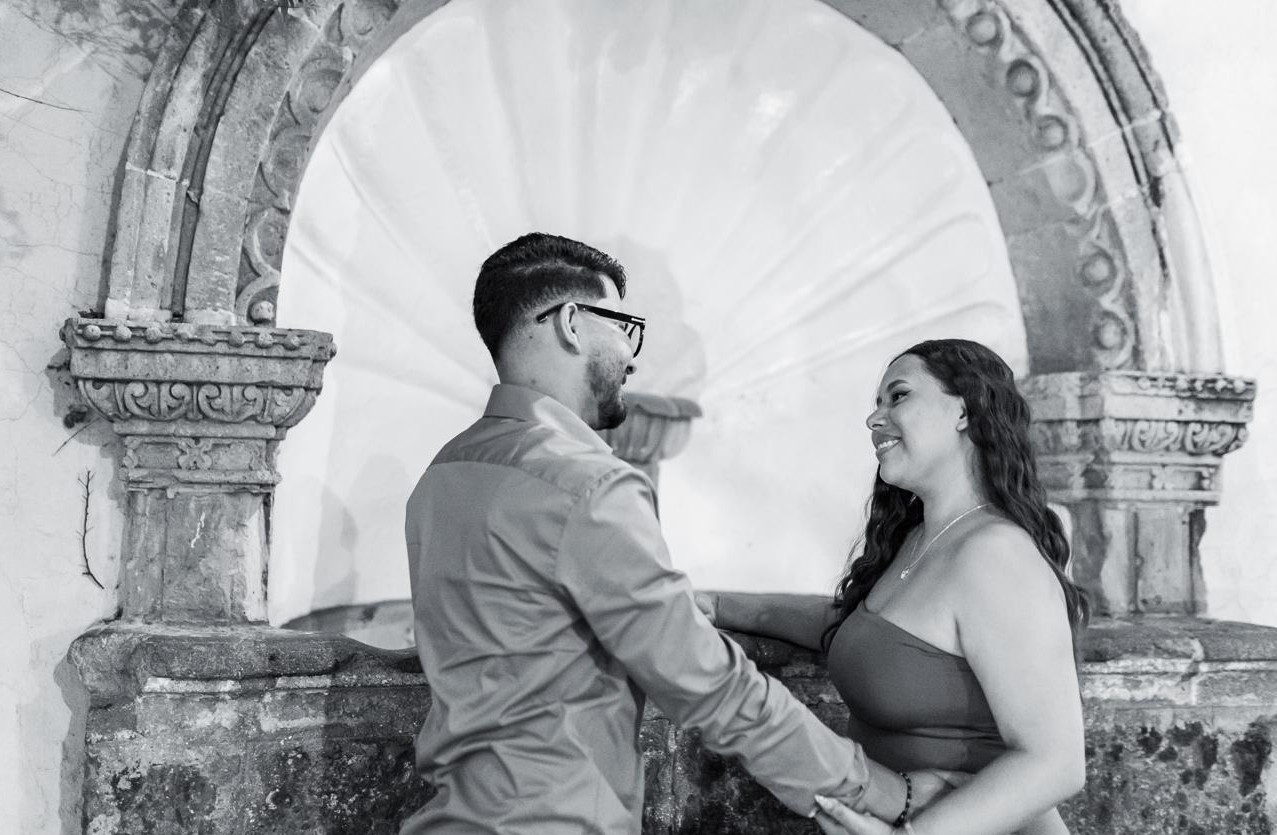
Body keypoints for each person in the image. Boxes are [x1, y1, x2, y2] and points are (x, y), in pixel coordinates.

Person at [401, 233, 948, 834]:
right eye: (625, 327)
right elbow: (711, 686)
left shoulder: (443, 475)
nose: (632, 356)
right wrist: (881, 791)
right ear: (571, 324)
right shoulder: (585, 484)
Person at [699, 339, 1088, 835]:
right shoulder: (919, 537)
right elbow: (865, 630)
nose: (874, 419)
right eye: (876, 403)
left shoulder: (995, 554)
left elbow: (1056, 763)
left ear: (964, 411)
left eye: (898, 396)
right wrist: (718, 605)